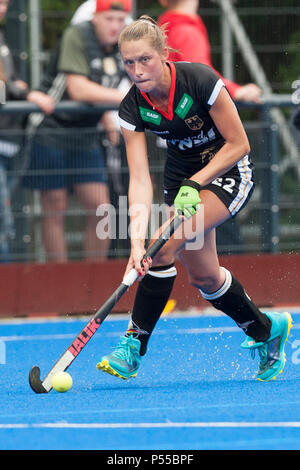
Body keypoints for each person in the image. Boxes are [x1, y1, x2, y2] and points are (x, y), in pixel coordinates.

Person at [96, 15, 292, 383]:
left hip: (227, 172)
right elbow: (139, 178)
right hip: (180, 180)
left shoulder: (200, 81)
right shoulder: (131, 108)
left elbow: (239, 143)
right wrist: (136, 245)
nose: (136, 70)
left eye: (144, 60)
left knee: (165, 249)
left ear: (163, 55)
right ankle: (267, 331)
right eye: (128, 62)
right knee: (204, 276)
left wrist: (197, 182)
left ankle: (132, 347)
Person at [23, 0, 132, 262]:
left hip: (86, 132)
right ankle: (60, 282)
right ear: (96, 17)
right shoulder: (77, 35)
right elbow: (79, 89)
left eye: (120, 20)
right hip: (52, 130)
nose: (115, 26)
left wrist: (107, 116)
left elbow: (99, 86)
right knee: (55, 207)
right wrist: (127, 98)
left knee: (101, 208)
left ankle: (91, 286)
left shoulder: (123, 45)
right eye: (109, 19)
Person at [157, 0, 263, 253]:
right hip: (201, 145)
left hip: (178, 144)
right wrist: (238, 90)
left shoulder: (164, 28)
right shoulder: (185, 31)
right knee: (200, 243)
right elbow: (201, 78)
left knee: (194, 255)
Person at [0, 0, 54, 262]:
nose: (2, 9)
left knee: (6, 218)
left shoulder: (2, 38)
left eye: (5, 4)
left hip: (10, 140)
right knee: (4, 220)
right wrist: (21, 90)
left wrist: (12, 86)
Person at [157, 0, 262, 104]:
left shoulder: (162, 29)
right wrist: (236, 91)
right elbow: (201, 75)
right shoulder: (187, 32)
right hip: (187, 107)